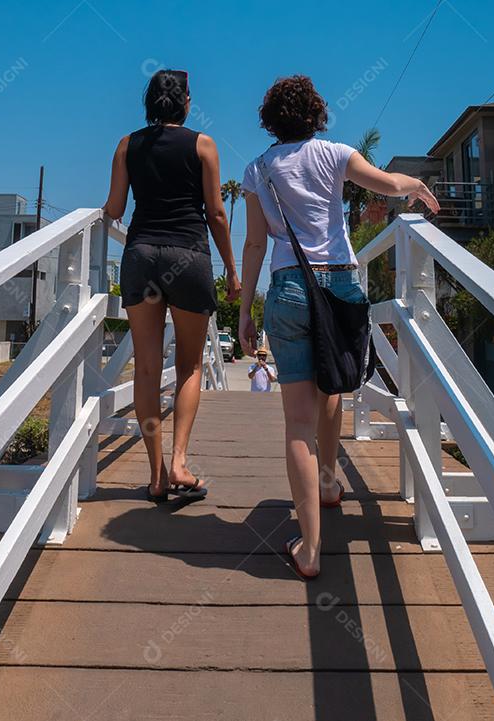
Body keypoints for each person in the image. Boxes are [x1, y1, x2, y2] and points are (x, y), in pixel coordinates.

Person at [237, 75, 439, 578]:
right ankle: (328, 483)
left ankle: (309, 547)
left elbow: (256, 245)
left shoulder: (258, 170)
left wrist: (244, 310)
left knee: (298, 421)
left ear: (270, 120)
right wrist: (414, 185)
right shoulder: (334, 154)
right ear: (316, 114)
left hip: (287, 287)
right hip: (341, 286)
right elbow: (386, 184)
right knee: (335, 388)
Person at [103, 69, 241, 503]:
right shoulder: (203, 145)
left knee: (145, 369)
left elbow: (115, 207)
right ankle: (181, 460)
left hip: (141, 255)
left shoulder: (128, 145)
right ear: (186, 102)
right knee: (189, 367)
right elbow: (217, 214)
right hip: (189, 257)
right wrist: (234, 272)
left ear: (148, 103)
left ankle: (157, 475)